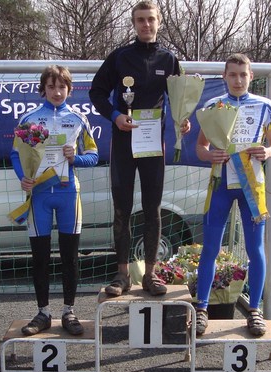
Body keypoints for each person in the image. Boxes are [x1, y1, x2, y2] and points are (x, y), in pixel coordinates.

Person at [89, 0, 189, 297]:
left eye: (151, 19)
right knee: (122, 208)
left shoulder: (168, 60)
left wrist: (182, 120)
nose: (146, 24)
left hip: (152, 144)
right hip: (123, 141)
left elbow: (181, 99)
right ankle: (122, 275)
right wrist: (115, 116)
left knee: (153, 208)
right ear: (134, 23)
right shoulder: (120, 57)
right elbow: (96, 92)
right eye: (141, 19)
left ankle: (150, 274)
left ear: (159, 22)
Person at [194, 53, 271, 336]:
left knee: (255, 249)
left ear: (251, 76)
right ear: (224, 76)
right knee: (210, 248)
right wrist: (210, 155)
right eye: (232, 74)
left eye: (243, 74)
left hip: (251, 187)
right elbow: (200, 147)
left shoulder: (264, 105)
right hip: (220, 185)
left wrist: (267, 151)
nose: (238, 80)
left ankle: (254, 310)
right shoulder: (213, 105)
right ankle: (202, 308)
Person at [11, 65, 98, 336]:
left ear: (70, 90)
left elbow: (94, 155)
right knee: (40, 257)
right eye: (51, 87)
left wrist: (76, 158)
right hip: (39, 195)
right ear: (43, 89)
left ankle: (69, 311)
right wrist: (23, 178)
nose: (57, 92)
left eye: (62, 87)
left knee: (69, 257)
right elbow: (15, 154)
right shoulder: (30, 119)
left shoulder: (78, 119)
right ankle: (43, 313)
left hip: (68, 194)